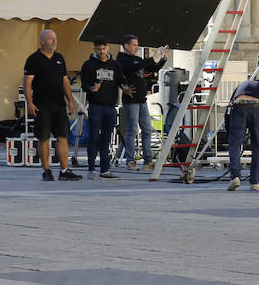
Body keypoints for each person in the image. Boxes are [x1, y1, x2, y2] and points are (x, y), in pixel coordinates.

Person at [22, 29, 82, 181]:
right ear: (42, 41)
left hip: (59, 105)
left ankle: (64, 170)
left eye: (55, 38)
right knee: (44, 138)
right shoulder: (33, 59)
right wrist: (29, 103)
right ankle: (47, 171)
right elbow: (27, 83)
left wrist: (70, 101)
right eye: (51, 39)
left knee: (63, 137)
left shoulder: (59, 58)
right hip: (41, 105)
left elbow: (65, 81)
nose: (54, 41)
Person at [117, 34, 168, 171]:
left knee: (147, 129)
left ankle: (148, 161)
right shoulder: (122, 59)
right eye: (134, 45)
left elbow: (150, 69)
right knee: (132, 130)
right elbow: (134, 67)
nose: (136, 47)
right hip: (131, 100)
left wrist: (162, 60)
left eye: (137, 44)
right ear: (126, 46)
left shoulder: (138, 59)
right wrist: (152, 58)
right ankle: (130, 160)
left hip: (142, 100)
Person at [79, 36, 126, 180]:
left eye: (104, 48)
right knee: (93, 137)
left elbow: (121, 80)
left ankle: (105, 169)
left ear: (108, 48)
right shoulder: (88, 65)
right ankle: (92, 169)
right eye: (98, 49)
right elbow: (84, 84)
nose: (101, 51)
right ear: (94, 49)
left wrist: (125, 87)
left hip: (111, 107)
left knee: (106, 139)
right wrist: (92, 88)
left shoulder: (115, 64)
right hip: (95, 107)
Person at [226, 79, 259, 192]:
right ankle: (255, 183)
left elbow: (228, 109)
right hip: (258, 108)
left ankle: (235, 177)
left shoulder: (241, 86)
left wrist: (229, 131)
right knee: (257, 147)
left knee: (235, 145)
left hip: (239, 106)